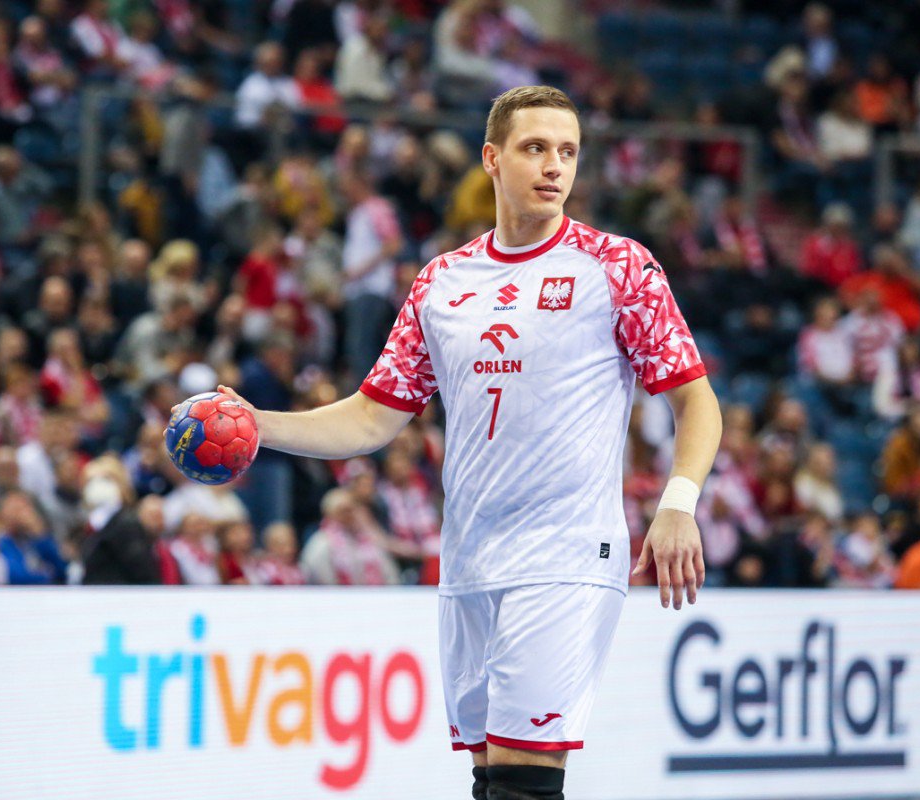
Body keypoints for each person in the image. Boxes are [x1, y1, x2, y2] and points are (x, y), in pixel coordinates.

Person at [173, 86, 722, 800]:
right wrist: (259, 424)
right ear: (491, 158)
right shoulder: (441, 281)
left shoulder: (616, 266)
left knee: (523, 778)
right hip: (469, 559)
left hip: (566, 554)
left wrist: (678, 504)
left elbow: (696, 401)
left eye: (567, 152)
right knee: (491, 776)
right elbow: (371, 419)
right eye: (535, 148)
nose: (554, 166)